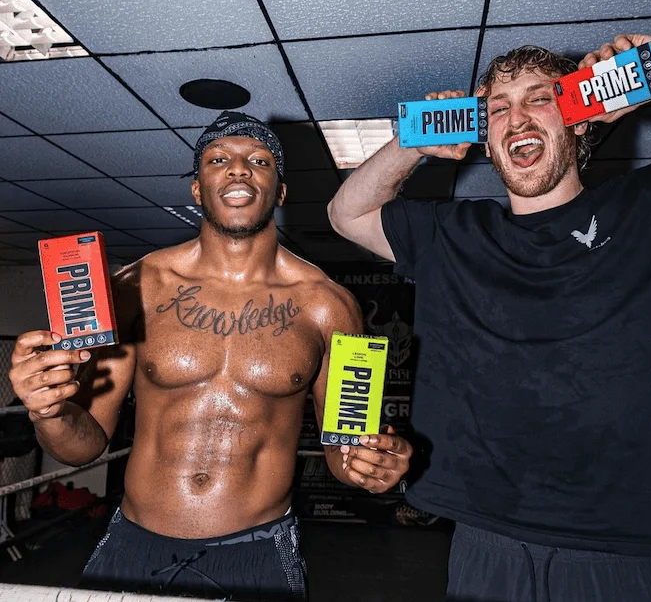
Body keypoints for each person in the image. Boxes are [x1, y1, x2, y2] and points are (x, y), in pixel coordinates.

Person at [327, 34, 651, 601]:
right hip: (486, 541)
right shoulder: (453, 235)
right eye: (498, 108)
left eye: (540, 99)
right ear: (486, 139)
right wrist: (411, 143)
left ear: (580, 119)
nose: (516, 118)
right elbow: (346, 213)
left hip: (636, 551)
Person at [9, 111, 413, 601]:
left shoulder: (333, 306)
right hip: (136, 543)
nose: (239, 168)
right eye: (218, 160)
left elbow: (346, 447)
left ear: (281, 191)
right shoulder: (134, 288)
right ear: (198, 190)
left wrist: (370, 465)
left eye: (259, 161)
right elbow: (83, 446)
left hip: (258, 552)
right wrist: (49, 413)